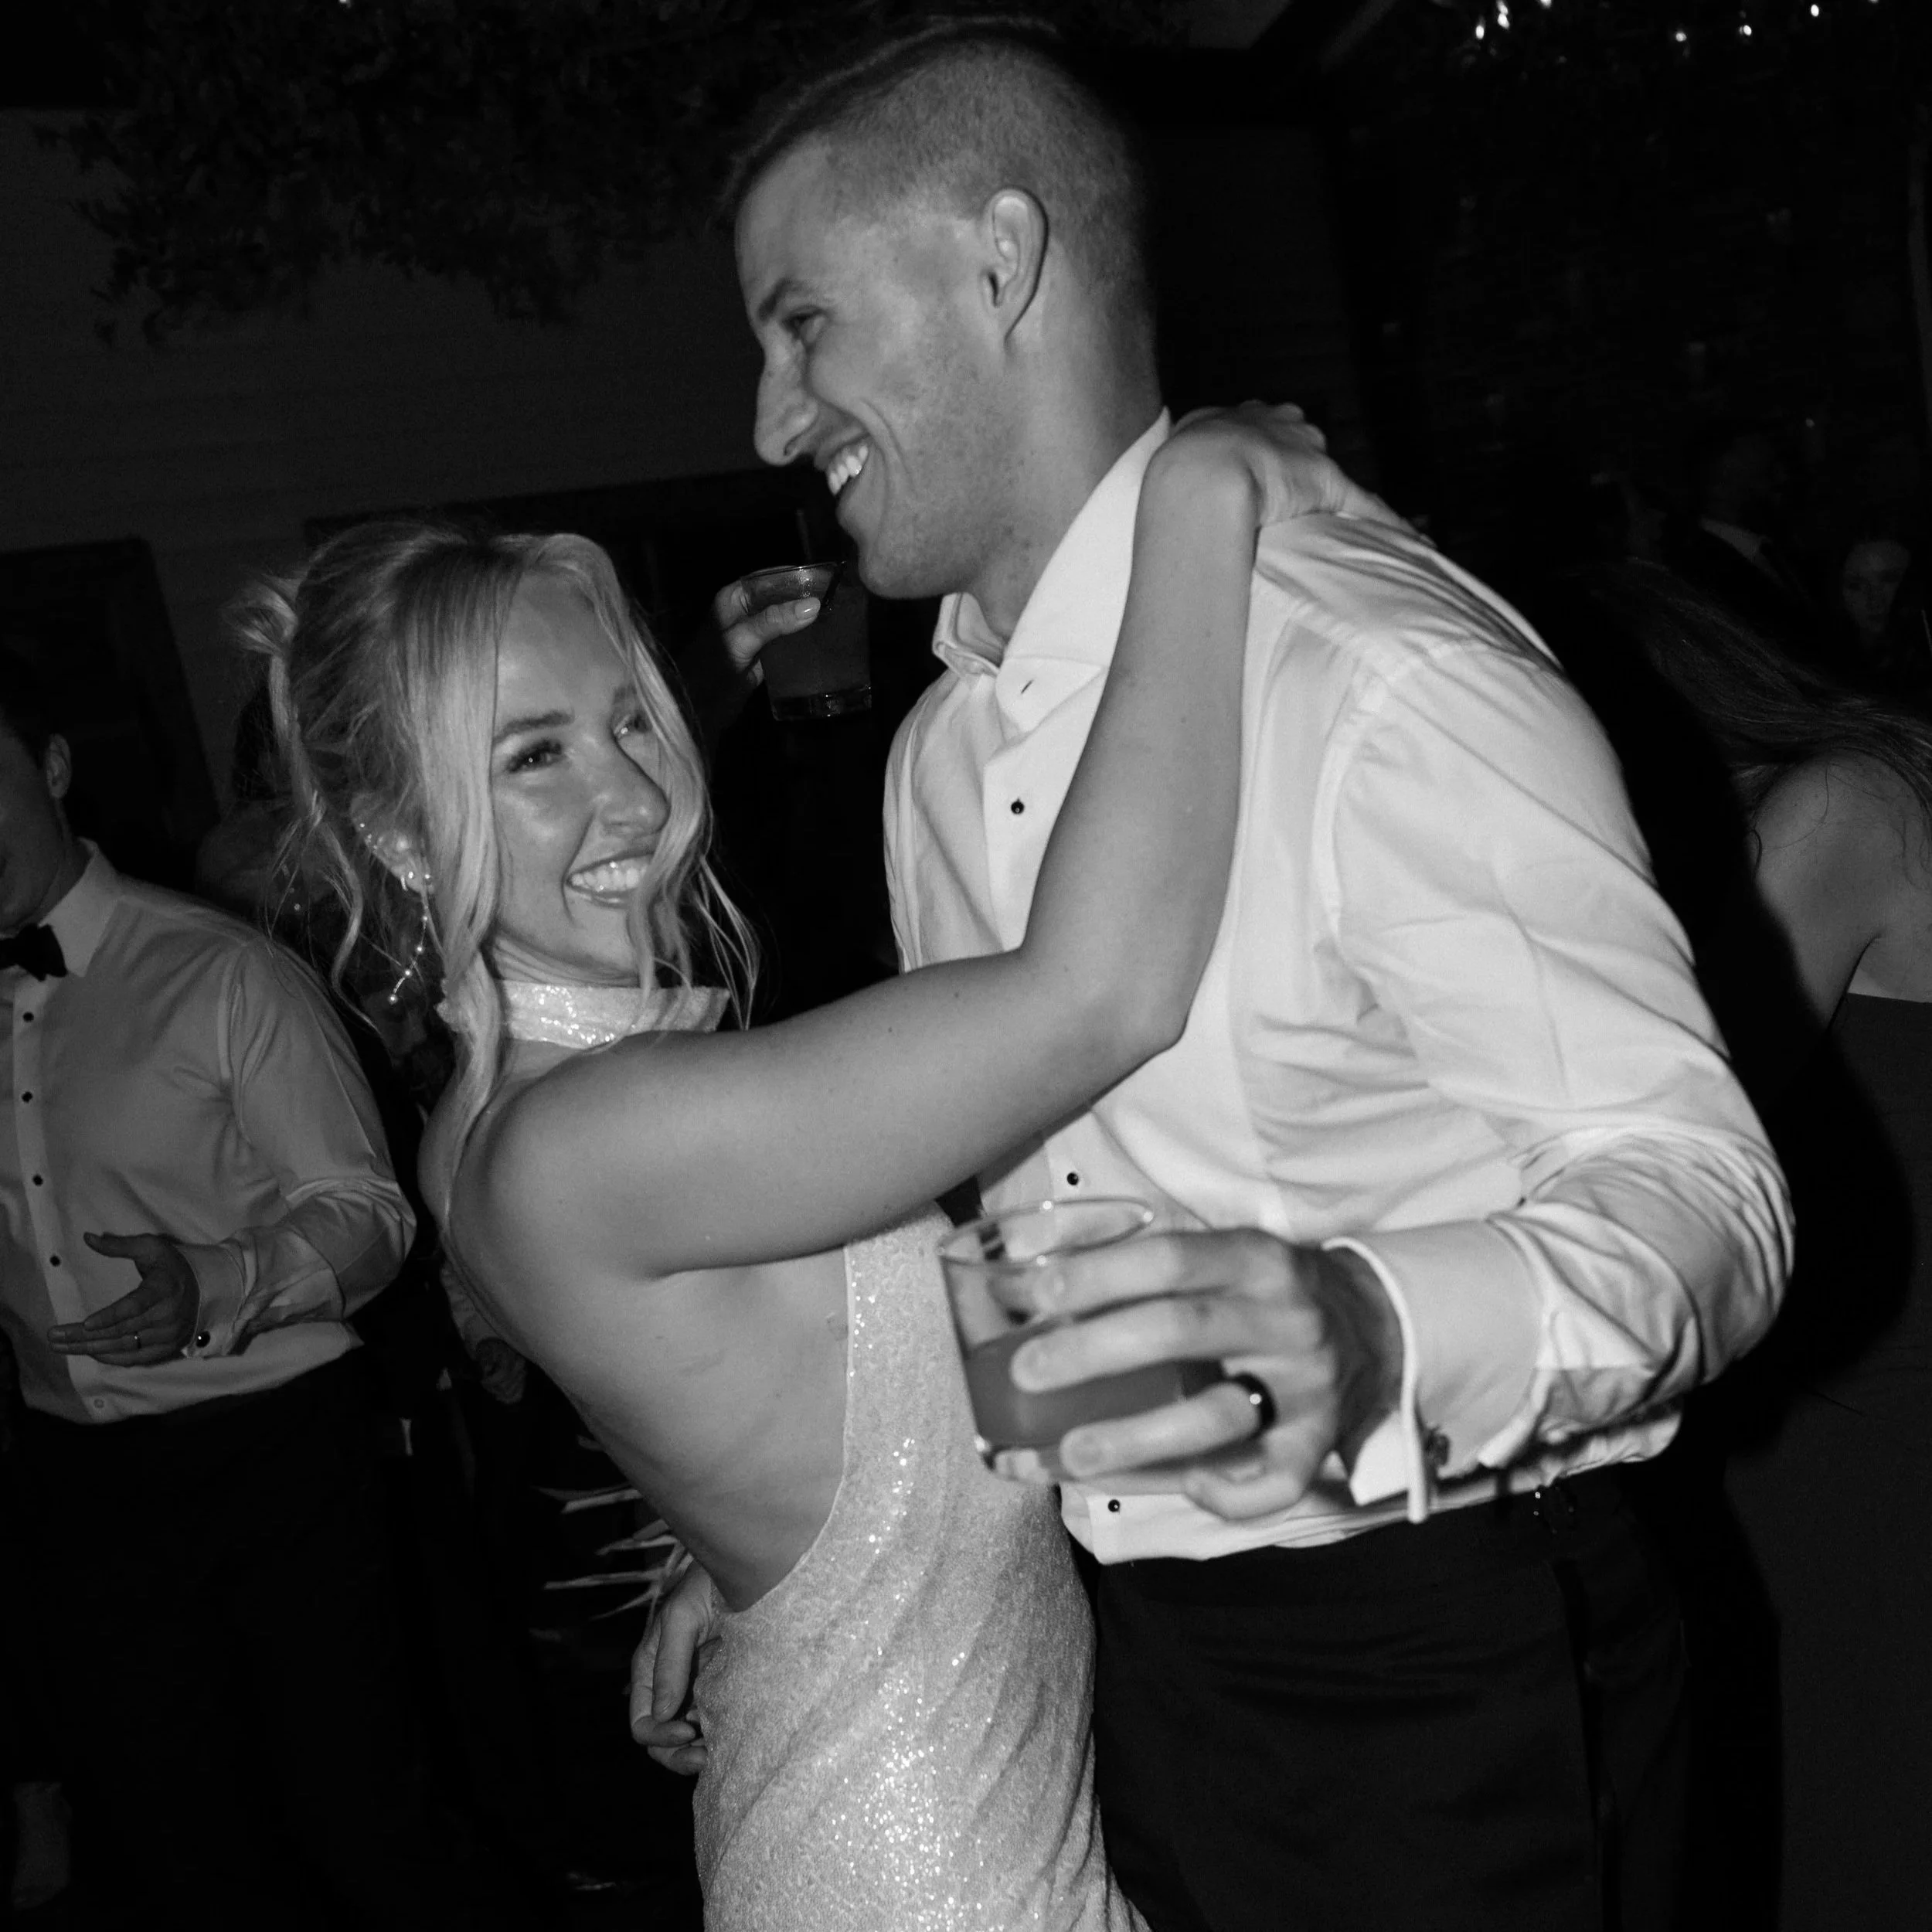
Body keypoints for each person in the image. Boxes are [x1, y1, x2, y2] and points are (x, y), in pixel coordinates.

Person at [642, 21, 1792, 1932]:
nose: (769, 420)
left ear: (997, 264)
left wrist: (1368, 1332)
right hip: (1125, 1654)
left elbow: (1708, 1199)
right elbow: (1011, 1224)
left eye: (798, 327)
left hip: (1451, 1661)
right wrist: (844, 1538)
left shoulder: (1372, 673)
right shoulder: (942, 750)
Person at [253, 406, 1359, 1930]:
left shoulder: (527, 1104)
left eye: (628, 717)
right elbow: (1097, 996)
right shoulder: (594, 1133)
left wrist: (777, 1566)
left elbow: (794, 1395)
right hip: (928, 1871)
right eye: (532, 756)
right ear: (401, 833)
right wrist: (1195, 502)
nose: (630, 796)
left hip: (896, 1786)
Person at [0, 655, 474, 1927]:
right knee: (175, 1851)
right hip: (70, 1479)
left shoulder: (221, 971)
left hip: (271, 1460)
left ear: (50, 771)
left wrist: (222, 1279)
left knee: (362, 1827)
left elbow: (374, 1219)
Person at [1556, 561, 1932, 1927]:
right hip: (1851, 1402)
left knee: (1857, 1823)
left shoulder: (1839, 806)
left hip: (1865, 1429)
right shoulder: (1884, 773)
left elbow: (1672, 1137)